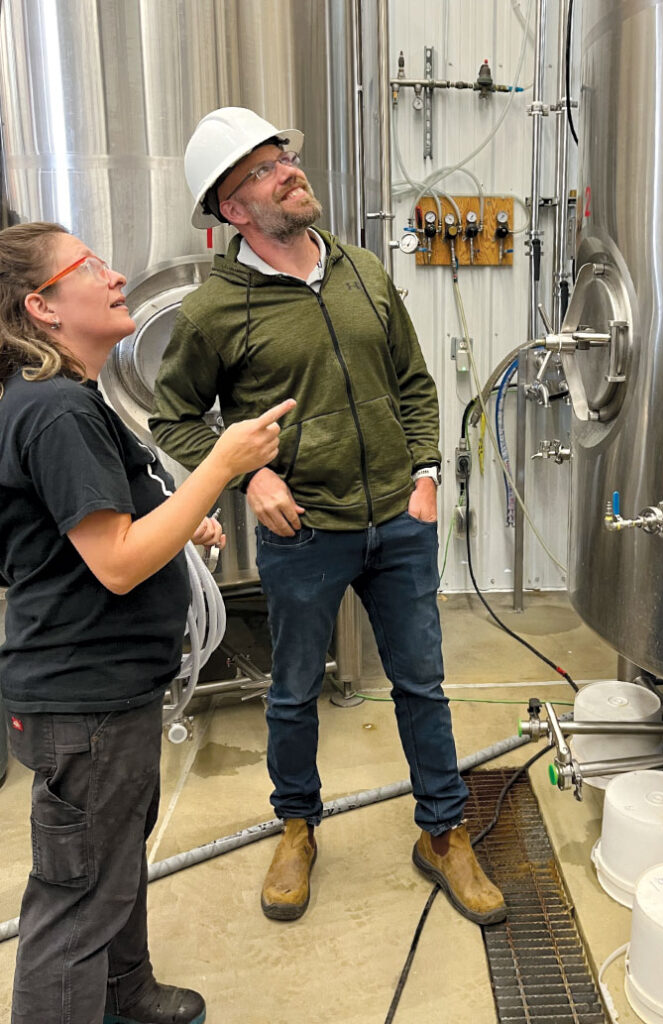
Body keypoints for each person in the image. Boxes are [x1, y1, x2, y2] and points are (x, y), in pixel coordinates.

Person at [149, 107, 507, 927]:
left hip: (400, 523)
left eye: (285, 155)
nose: (288, 169)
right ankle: (298, 827)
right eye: (264, 168)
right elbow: (171, 417)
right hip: (304, 534)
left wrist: (423, 474)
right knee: (295, 690)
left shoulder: (362, 270)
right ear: (234, 208)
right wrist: (250, 477)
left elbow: (414, 382)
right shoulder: (214, 311)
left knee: (422, 684)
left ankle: (443, 834)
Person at [0, 221, 294, 1024]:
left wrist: (175, 509)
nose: (116, 271)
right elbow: (119, 561)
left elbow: (109, 517)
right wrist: (221, 468)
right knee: (76, 901)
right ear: (44, 306)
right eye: (88, 265)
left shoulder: (74, 397)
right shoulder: (55, 410)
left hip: (110, 688)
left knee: (114, 858)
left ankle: (126, 993)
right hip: (81, 701)